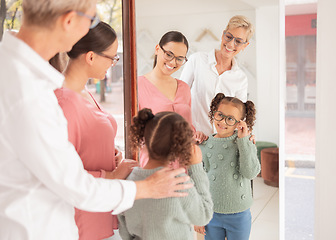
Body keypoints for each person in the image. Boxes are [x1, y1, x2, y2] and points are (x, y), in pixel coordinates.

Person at [0, 0, 193, 239]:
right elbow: (76, 186)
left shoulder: (24, 78)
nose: (89, 31)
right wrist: (146, 188)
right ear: (69, 21)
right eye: (91, 20)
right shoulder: (31, 94)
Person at [53, 22, 138, 240]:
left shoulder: (84, 92)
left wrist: (110, 152)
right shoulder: (63, 102)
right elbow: (59, 175)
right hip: (82, 222)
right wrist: (112, 175)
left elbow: (83, 146)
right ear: (91, 57)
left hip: (101, 210)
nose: (113, 63)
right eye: (111, 58)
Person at [118, 108, 213, 240]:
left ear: (146, 138)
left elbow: (124, 230)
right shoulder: (177, 182)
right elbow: (204, 215)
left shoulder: (129, 181)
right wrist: (196, 167)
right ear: (180, 148)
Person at [194, 93, 260, 240]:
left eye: (230, 118)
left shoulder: (246, 142)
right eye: (220, 115)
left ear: (239, 123)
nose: (223, 121)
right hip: (211, 213)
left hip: (239, 214)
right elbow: (198, 181)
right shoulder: (204, 144)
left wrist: (244, 142)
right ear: (213, 114)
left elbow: (250, 173)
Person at [138, 31, 207, 167]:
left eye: (179, 58)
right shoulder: (138, 85)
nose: (173, 62)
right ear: (158, 49)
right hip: (154, 165)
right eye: (169, 54)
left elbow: (188, 128)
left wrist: (196, 134)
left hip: (184, 165)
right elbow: (135, 132)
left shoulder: (184, 88)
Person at [180, 15, 255, 136]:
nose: (231, 44)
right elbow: (180, 98)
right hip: (192, 138)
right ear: (223, 34)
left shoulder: (240, 79)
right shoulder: (197, 60)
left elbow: (238, 117)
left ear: (245, 45)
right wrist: (188, 130)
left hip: (222, 144)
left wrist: (247, 135)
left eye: (238, 41)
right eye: (229, 37)